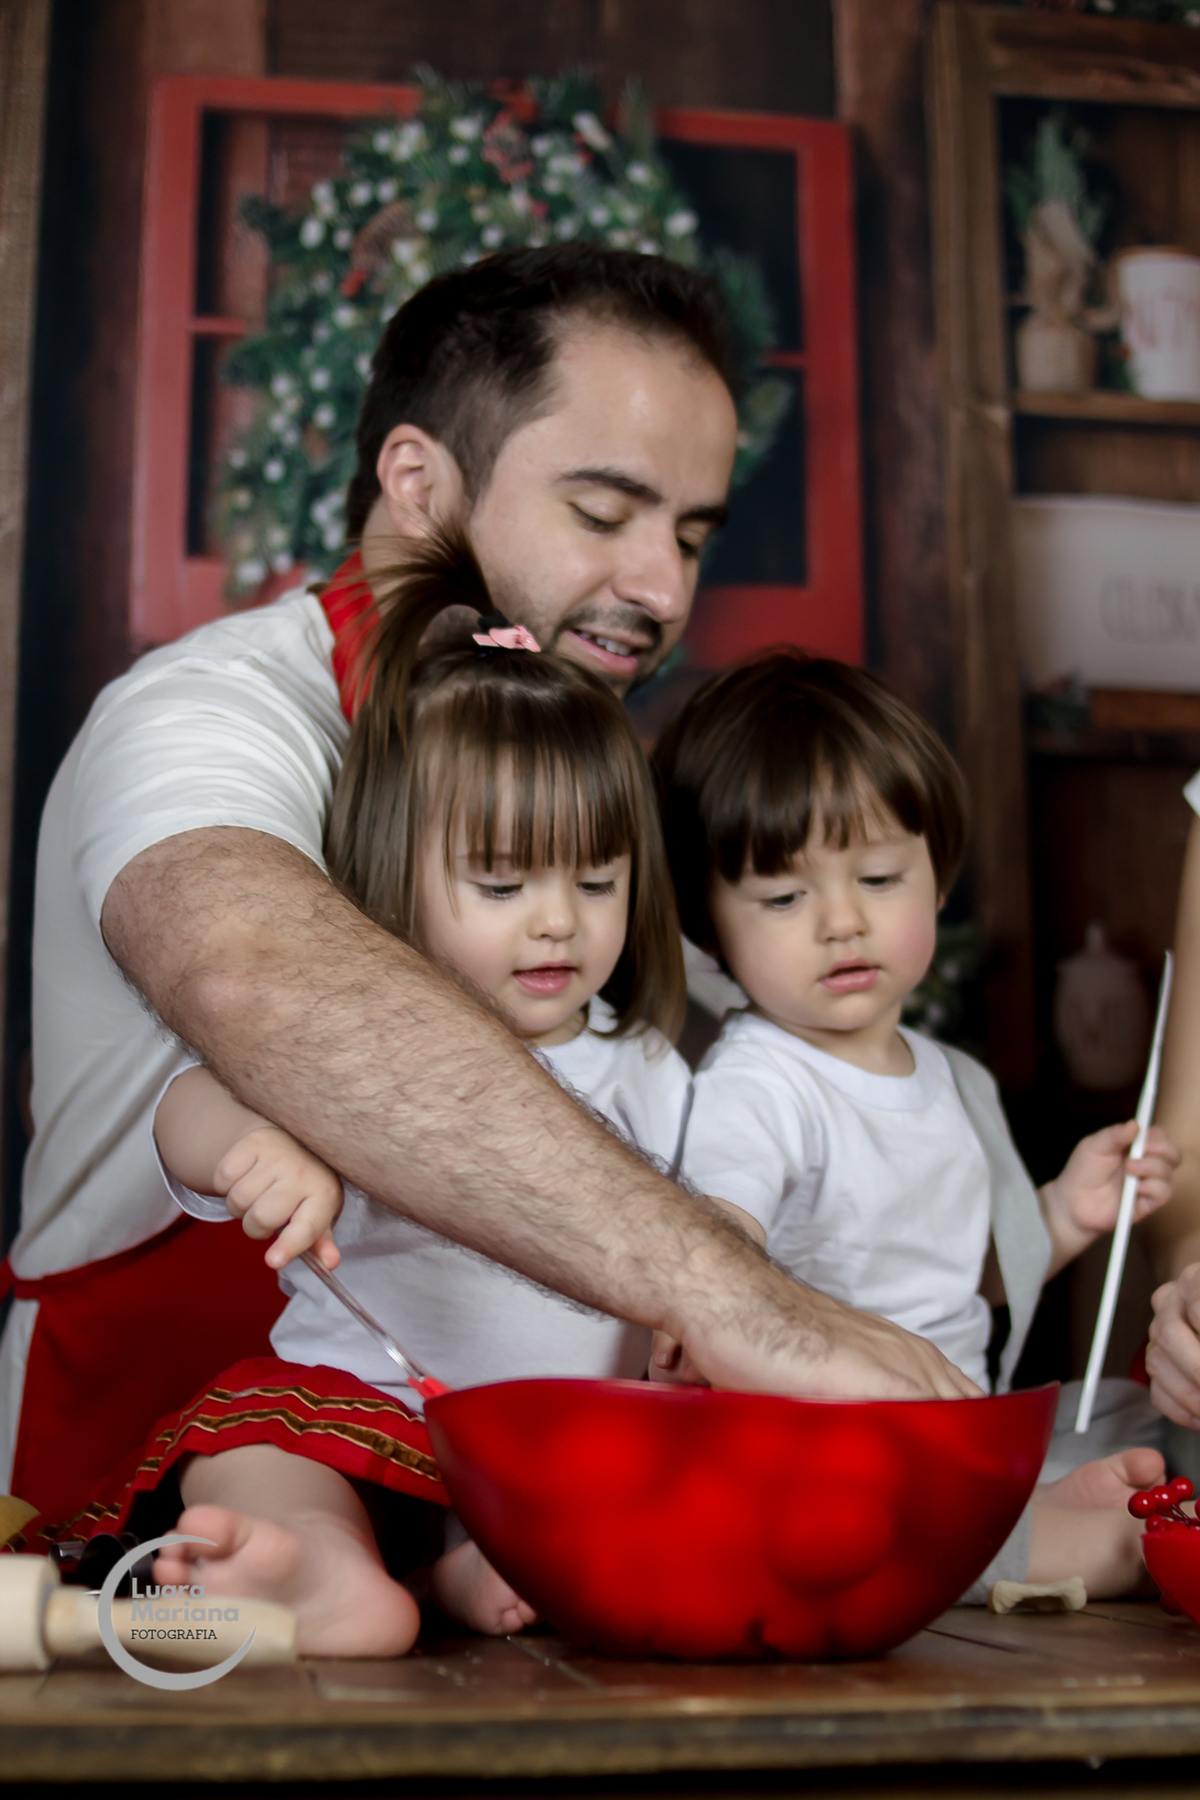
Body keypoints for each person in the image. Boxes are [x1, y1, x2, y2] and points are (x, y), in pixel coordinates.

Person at [0, 245, 973, 1525]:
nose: (664, 588)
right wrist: (732, 1297)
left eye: (689, 535)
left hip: (498, 1515)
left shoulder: (583, 777)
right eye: (604, 514)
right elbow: (256, 972)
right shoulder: (205, 711)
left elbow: (791, 1054)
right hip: (153, 1500)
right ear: (419, 483)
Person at [149, 528, 691, 1653]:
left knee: (665, 1469)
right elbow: (179, 1106)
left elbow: (710, 1227)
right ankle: (318, 1560)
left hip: (558, 1445)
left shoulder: (649, 1067)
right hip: (369, 1414)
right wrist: (250, 1145)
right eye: (501, 883)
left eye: (597, 881)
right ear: (397, 883)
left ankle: (467, 1568)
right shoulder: (353, 1045)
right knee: (259, 1449)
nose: (558, 921)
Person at [653, 652, 1179, 1598]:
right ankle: (1038, 1540)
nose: (841, 922)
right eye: (784, 897)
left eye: (879, 877)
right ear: (709, 928)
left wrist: (1064, 1214)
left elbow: (952, 1276)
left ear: (938, 879)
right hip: (830, 1443)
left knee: (1134, 1415)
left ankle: (1016, 1509)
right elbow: (717, 1241)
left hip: (958, 1426)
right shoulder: (761, 1085)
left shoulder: (950, 1078)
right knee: (863, 1506)